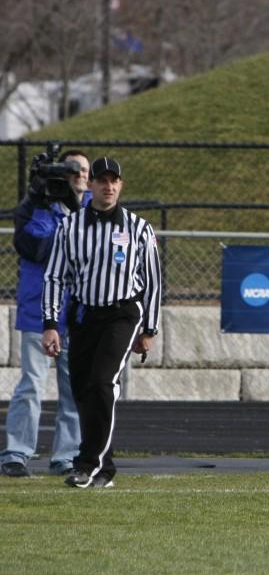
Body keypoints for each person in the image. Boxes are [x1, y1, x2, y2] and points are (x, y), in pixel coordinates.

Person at [42, 157, 162, 489]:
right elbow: (55, 277)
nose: (108, 186)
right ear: (90, 184)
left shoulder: (139, 228)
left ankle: (87, 464)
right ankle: (104, 468)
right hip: (84, 314)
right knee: (83, 389)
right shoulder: (70, 227)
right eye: (102, 180)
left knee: (102, 382)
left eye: (114, 181)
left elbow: (151, 281)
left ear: (121, 185)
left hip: (123, 314)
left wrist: (149, 329)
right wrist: (50, 323)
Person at [1, 150, 90, 478]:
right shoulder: (34, 206)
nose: (79, 175)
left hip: (78, 312)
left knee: (74, 388)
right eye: (72, 170)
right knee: (32, 384)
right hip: (39, 310)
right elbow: (32, 247)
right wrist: (39, 200)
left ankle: (66, 455)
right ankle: (17, 452)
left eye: (84, 170)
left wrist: (76, 209)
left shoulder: (95, 208)